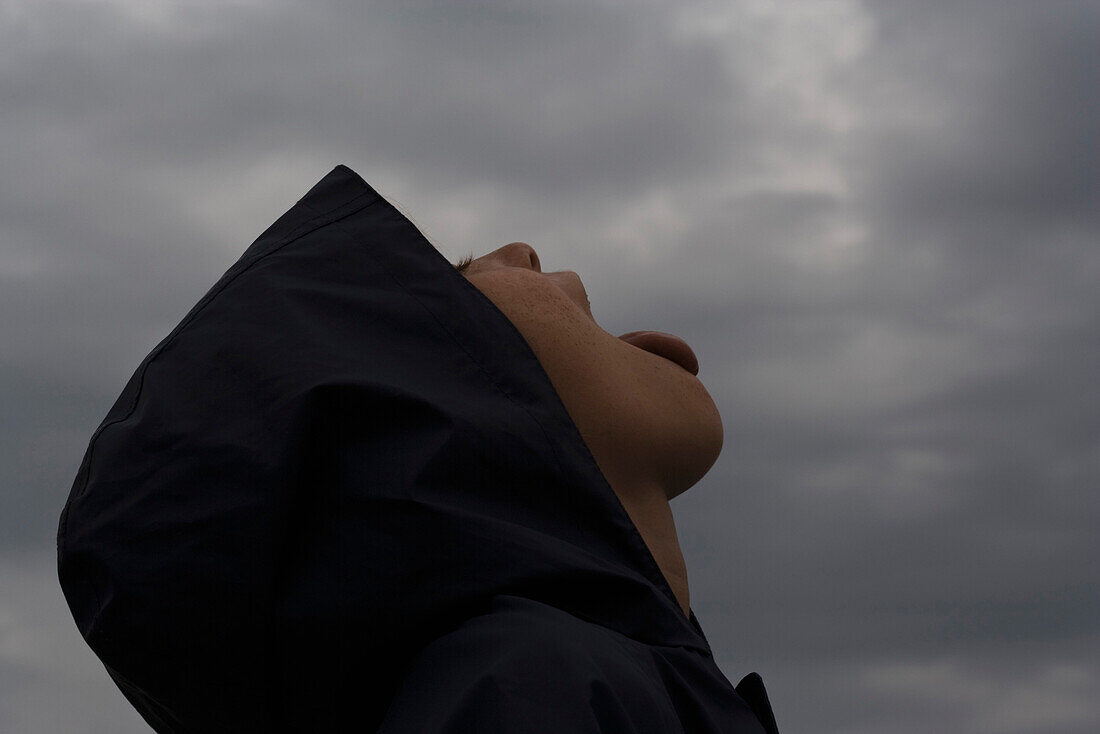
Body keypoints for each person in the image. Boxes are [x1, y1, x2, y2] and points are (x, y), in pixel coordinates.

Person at [57, 164, 779, 733]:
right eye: (452, 276)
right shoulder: (532, 685)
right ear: (416, 388)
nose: (524, 252)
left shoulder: (571, 684)